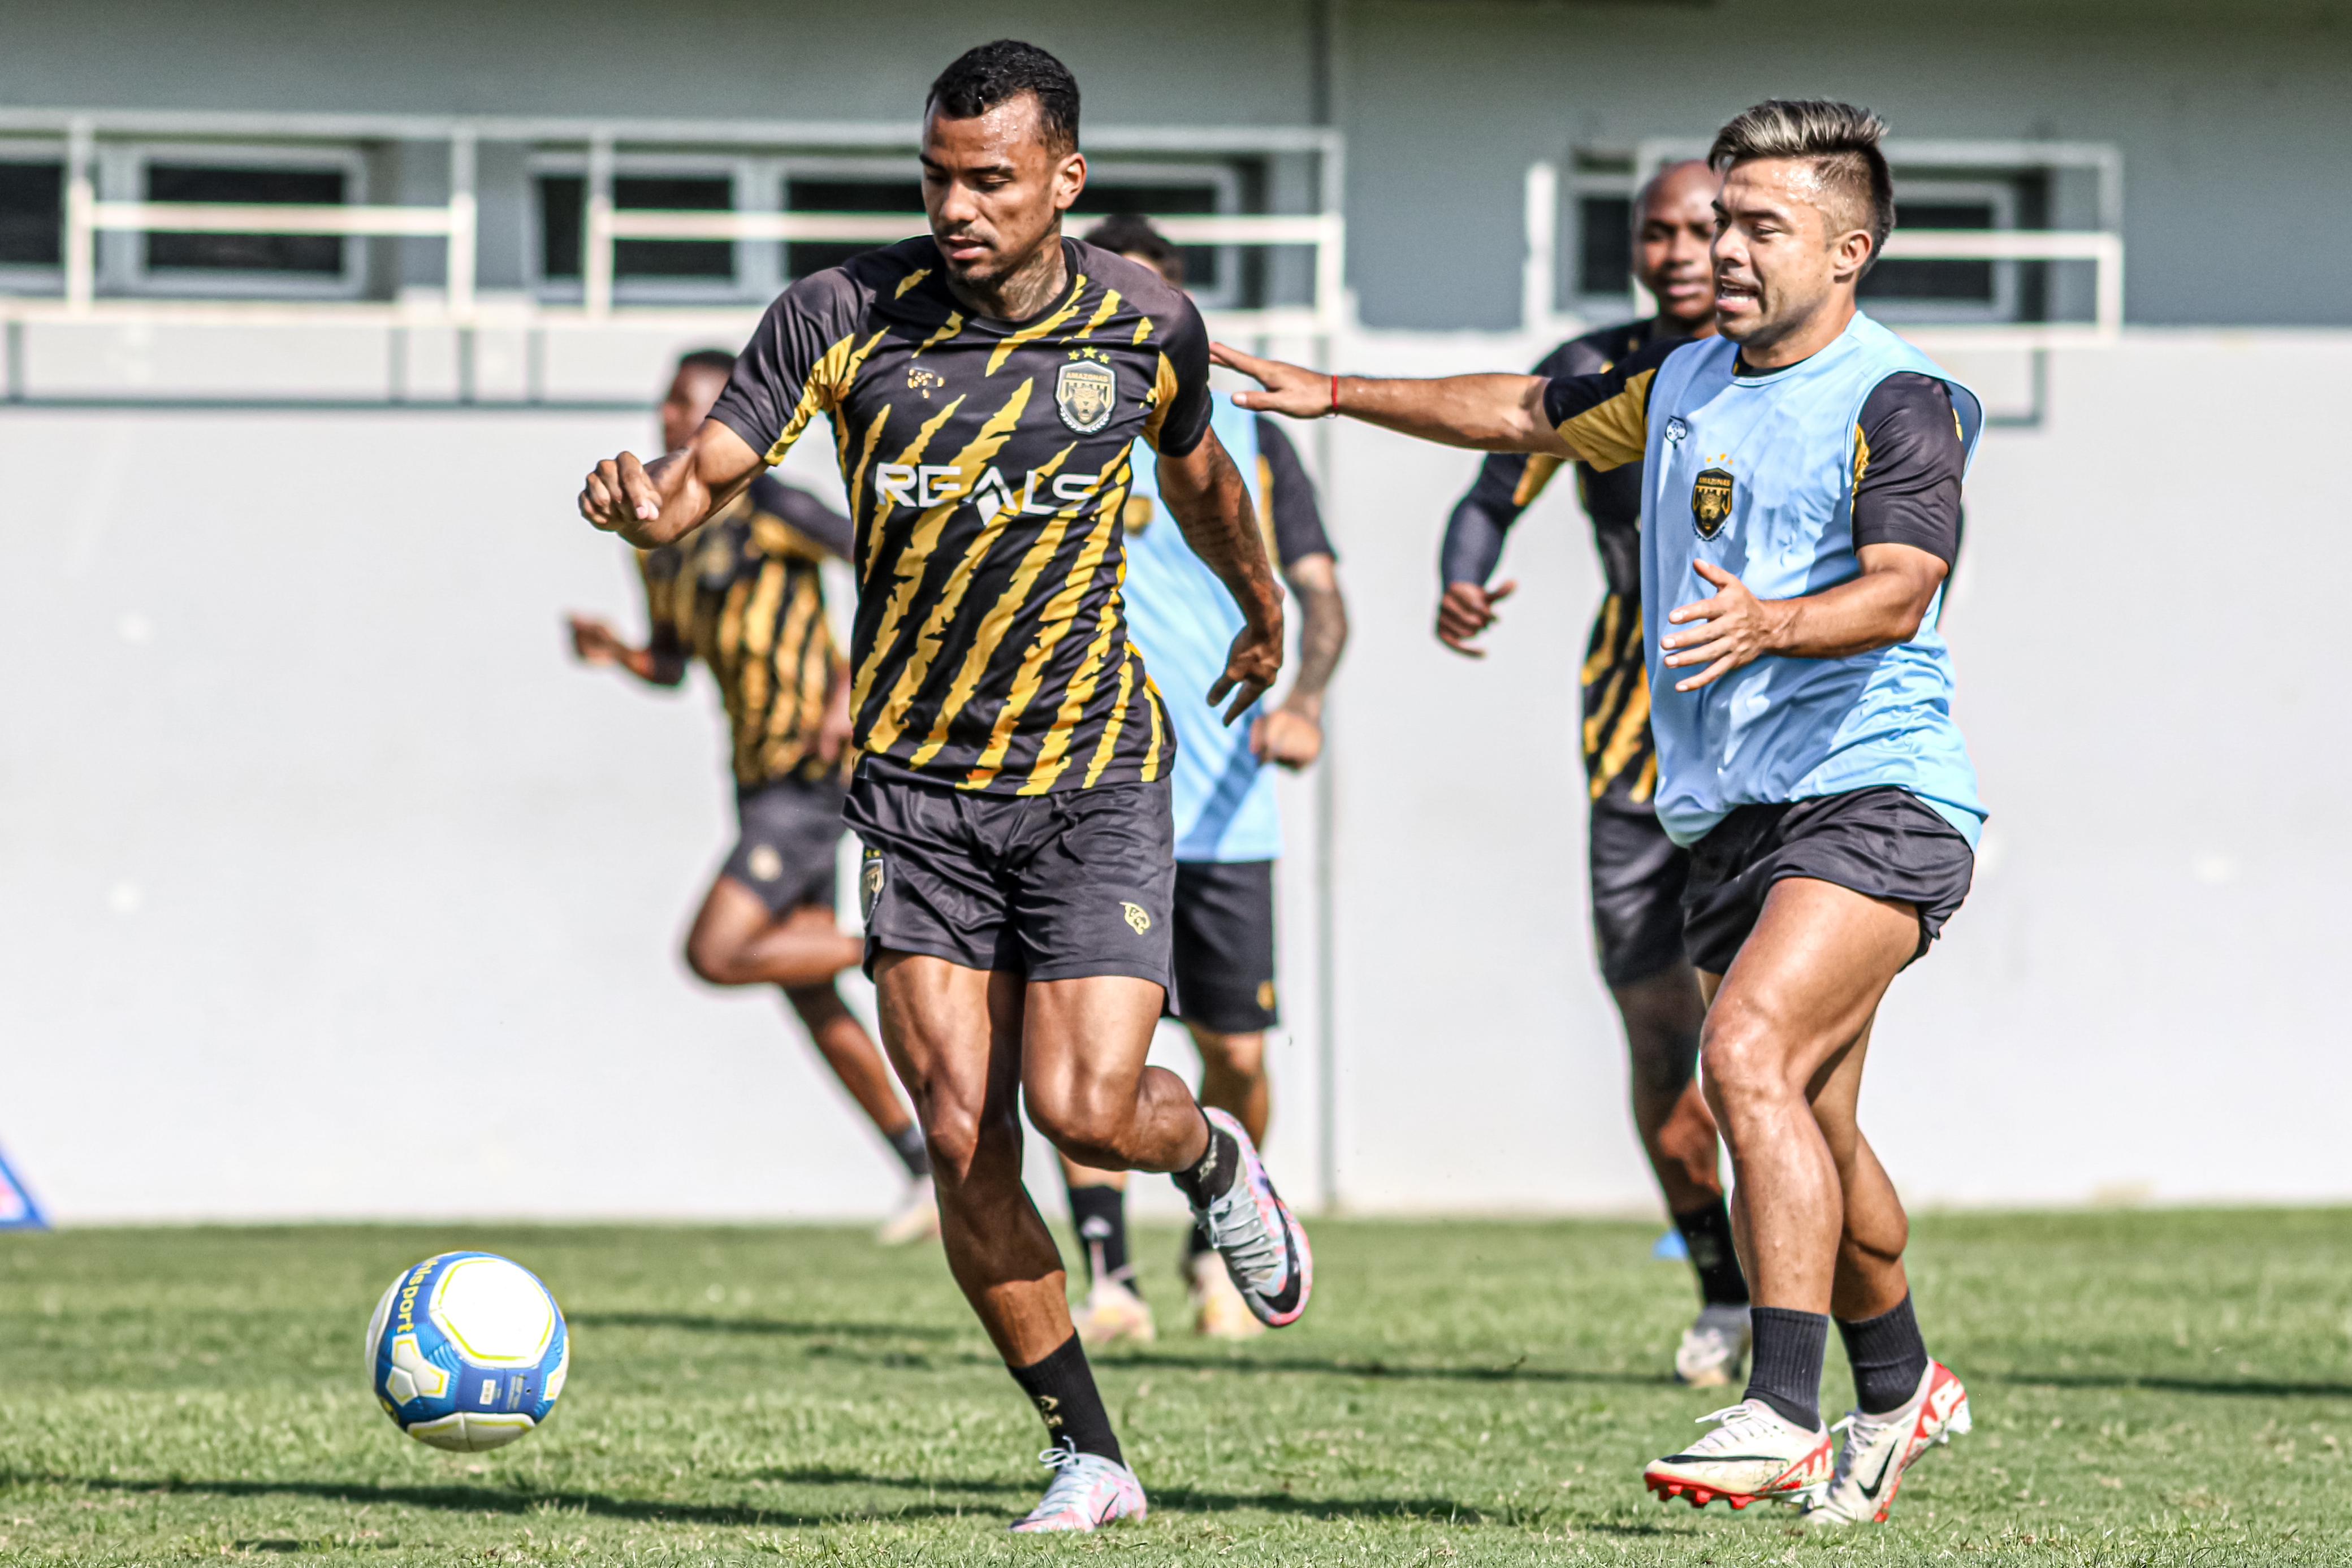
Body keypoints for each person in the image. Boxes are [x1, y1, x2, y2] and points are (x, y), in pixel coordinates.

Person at [576, 41, 1312, 1535]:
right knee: (967, 1132)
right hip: (916, 789)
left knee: (1089, 1109)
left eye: (991, 178)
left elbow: (1205, 477)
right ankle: (1089, 1453)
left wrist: (1260, 606)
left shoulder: (1143, 316)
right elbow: (715, 464)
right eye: (938, 176)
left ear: (1063, 180)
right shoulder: (843, 312)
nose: (959, 205)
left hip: (1094, 771)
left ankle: (1213, 1150)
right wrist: (652, 508)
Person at [1216, 99, 1980, 1528]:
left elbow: (1901, 584)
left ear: (1848, 248)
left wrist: (1772, 622)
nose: (1721, 248)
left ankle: (1780, 1405)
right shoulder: (1685, 378)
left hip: (1874, 796)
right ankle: (1903, 1385)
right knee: (1814, 1122)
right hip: (1727, 818)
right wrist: (1331, 394)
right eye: (1713, 222)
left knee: (1739, 1052)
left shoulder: (1899, 397)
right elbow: (1521, 411)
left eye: (1758, 227)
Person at [1435, 162, 1754, 1386]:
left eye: (1700, 229)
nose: (1676, 251)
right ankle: (1718, 1287)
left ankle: (1808, 1305)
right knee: (1660, 1043)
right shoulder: (1599, 365)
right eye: (1654, 231)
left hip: (1758, 754)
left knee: (1761, 1045)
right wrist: (1462, 572)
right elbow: (1493, 485)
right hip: (1627, 748)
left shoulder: (1781, 364)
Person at [1050, 214, 1348, 1348]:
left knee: (1232, 1052)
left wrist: (1307, 699)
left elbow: (1322, 599)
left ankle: (1218, 1231)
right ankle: (1107, 1278)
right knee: (1084, 1048)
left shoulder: (1248, 442)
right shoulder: (1048, 418)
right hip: (1081, 786)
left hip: (1224, 796)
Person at [568, 349, 936, 1246]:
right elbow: (674, 660)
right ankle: (928, 1166)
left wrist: (851, 691)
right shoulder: (658, 545)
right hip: (754, 776)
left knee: (720, 947)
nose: (668, 417)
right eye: (663, 400)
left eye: (688, 403)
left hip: (812, 775)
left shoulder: (766, 503)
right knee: (801, 985)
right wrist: (619, 653)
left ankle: (915, 948)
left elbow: (882, 560)